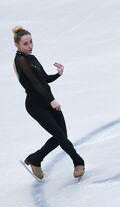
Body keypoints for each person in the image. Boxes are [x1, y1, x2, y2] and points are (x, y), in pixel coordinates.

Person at [12, 26, 85, 179]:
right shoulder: (20, 60)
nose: (30, 46)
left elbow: (43, 79)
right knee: (60, 135)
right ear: (17, 45)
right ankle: (78, 161)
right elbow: (35, 84)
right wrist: (51, 100)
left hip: (46, 100)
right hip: (35, 105)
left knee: (62, 135)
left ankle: (36, 159)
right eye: (25, 44)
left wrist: (58, 74)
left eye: (31, 42)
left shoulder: (32, 58)